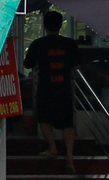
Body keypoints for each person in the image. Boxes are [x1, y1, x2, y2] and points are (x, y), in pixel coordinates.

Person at [23, 11, 80, 171]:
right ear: (61, 25)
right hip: (64, 89)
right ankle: (70, 158)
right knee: (67, 124)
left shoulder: (38, 44)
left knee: (44, 119)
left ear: (44, 25)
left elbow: (27, 64)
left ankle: (52, 147)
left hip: (46, 88)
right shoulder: (70, 44)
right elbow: (78, 65)